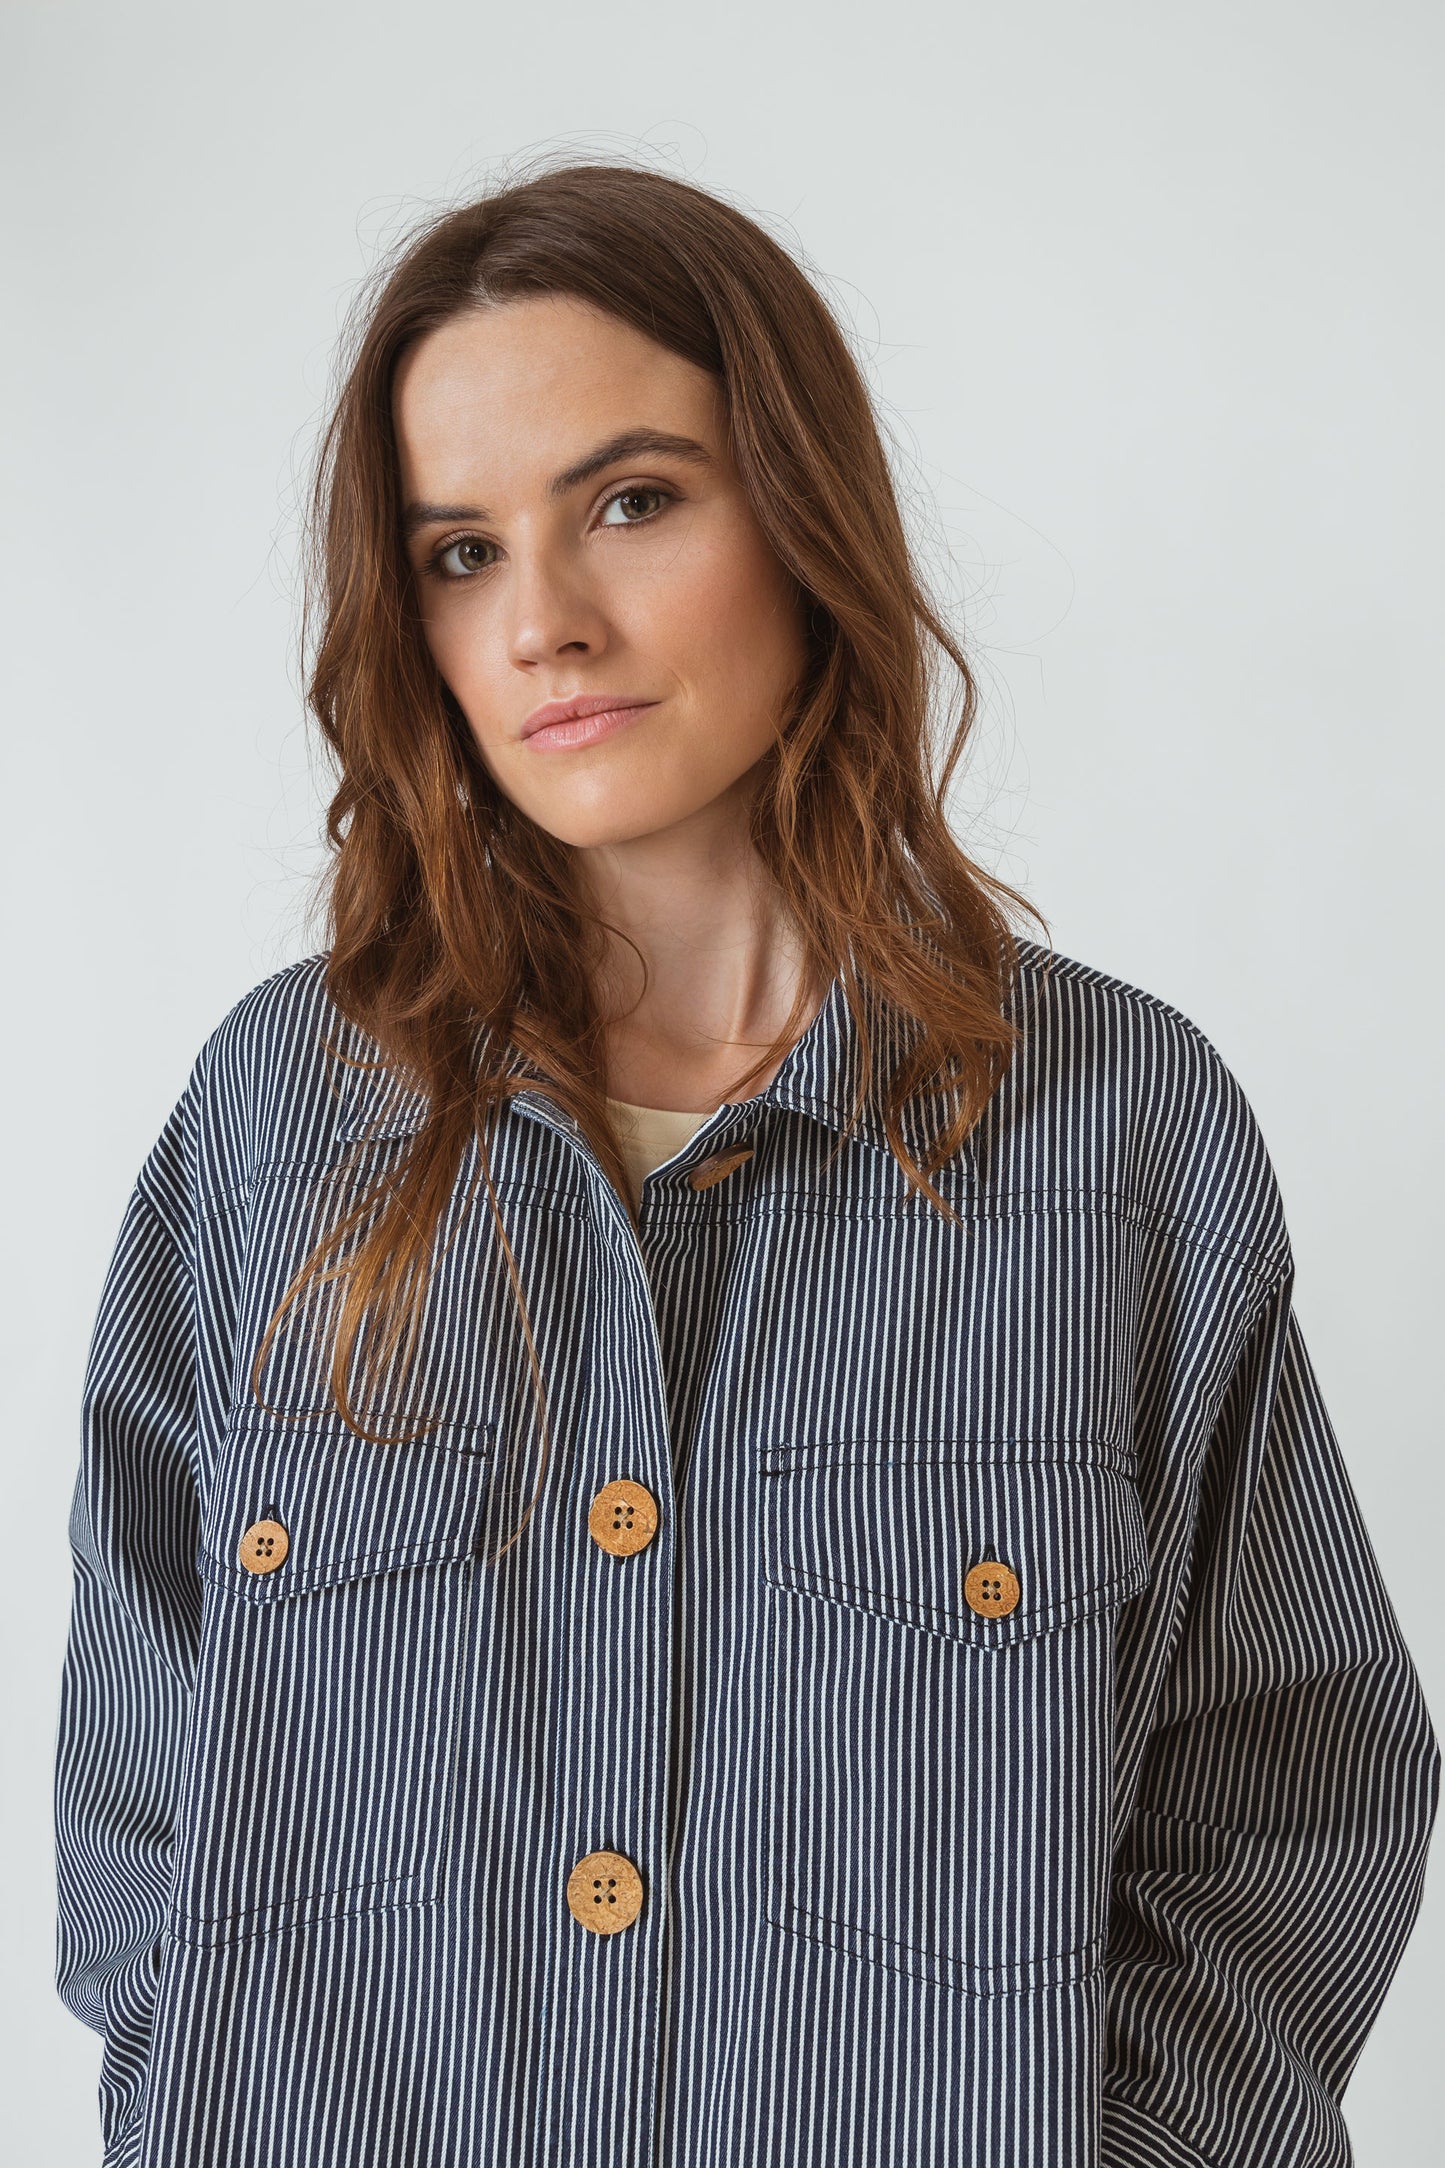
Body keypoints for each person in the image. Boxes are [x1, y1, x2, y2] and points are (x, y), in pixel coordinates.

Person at [53, 158, 1438, 2168]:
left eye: (631, 501)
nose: (544, 621)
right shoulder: (283, 1122)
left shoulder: (1117, 1133)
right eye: (459, 551)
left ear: (801, 512)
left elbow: (1279, 1806)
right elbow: (139, 1809)